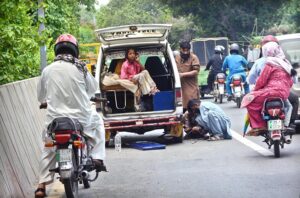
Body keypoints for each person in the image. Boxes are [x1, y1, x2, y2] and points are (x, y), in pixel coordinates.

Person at [35, 34, 106, 197]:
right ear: (75, 50)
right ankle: (97, 157)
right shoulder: (81, 67)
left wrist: (46, 101)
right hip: (81, 119)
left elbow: (40, 96)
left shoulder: (47, 70)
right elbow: (92, 89)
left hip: (55, 122)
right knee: (99, 123)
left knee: (48, 147)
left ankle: (41, 185)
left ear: (56, 50)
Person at [241, 41, 293, 135]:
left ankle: (260, 125)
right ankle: (286, 125)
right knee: (289, 106)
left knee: (249, 100)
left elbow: (261, 80)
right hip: (284, 94)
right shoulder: (286, 63)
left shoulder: (270, 64)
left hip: (270, 92)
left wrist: (255, 91)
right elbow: (291, 81)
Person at [175, 40, 200, 112]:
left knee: (192, 105)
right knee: (181, 106)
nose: (185, 52)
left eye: (187, 50)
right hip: (180, 84)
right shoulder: (177, 57)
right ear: (180, 49)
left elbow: (196, 71)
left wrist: (183, 75)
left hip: (191, 85)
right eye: (184, 50)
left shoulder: (194, 57)